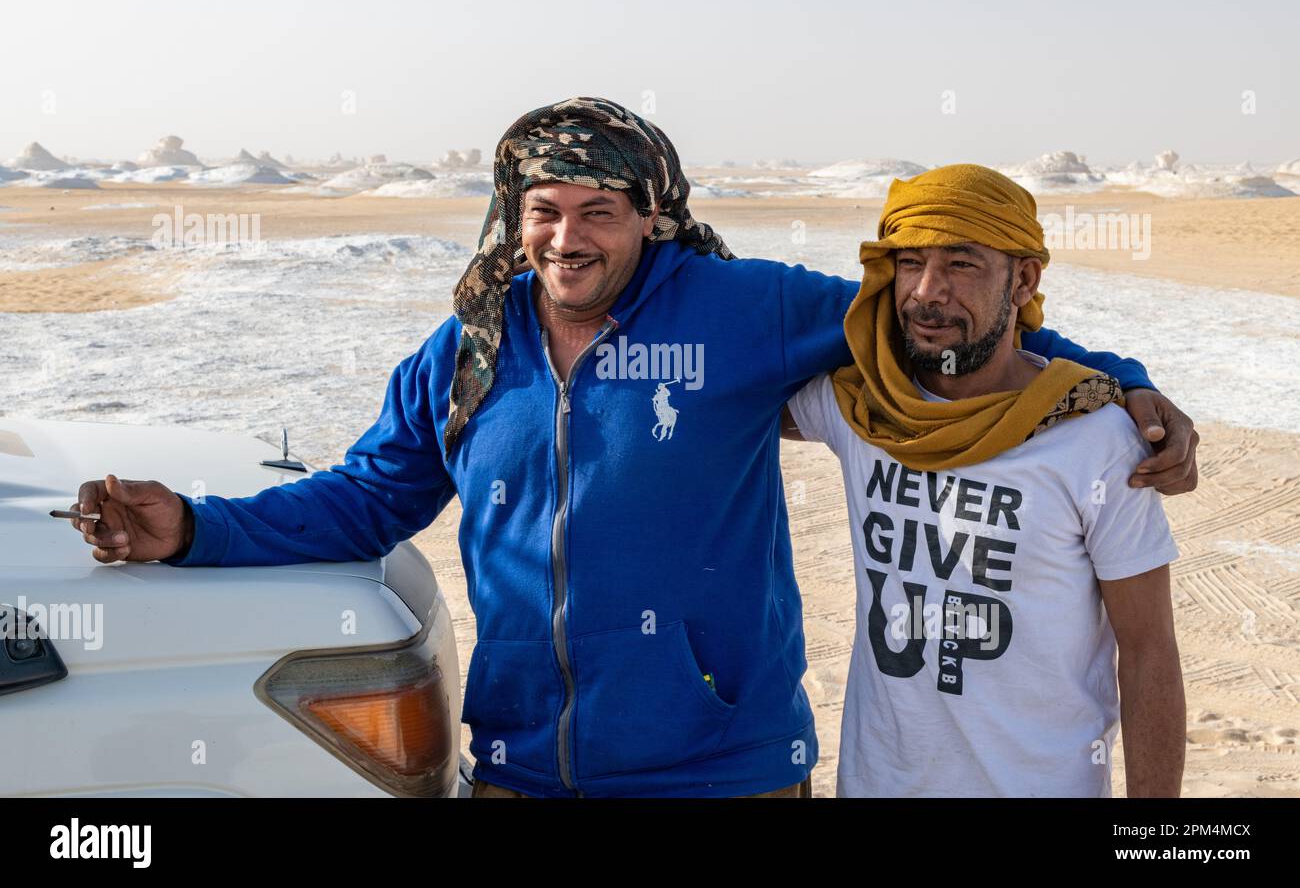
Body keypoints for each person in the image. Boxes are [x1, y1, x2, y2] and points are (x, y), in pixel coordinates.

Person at [70, 98, 1198, 798]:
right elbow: (370, 496)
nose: (568, 238)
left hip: (722, 769)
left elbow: (930, 320)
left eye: (599, 210)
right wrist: (201, 528)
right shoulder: (466, 350)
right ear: (514, 217)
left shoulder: (740, 308)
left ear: (650, 216)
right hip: (522, 767)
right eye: (544, 210)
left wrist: (1121, 388)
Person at [784, 164, 1185, 796]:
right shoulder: (860, 408)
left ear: (1023, 279)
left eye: (961, 264)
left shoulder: (1096, 439)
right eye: (910, 262)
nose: (926, 291)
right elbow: (724, 388)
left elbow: (1149, 652)